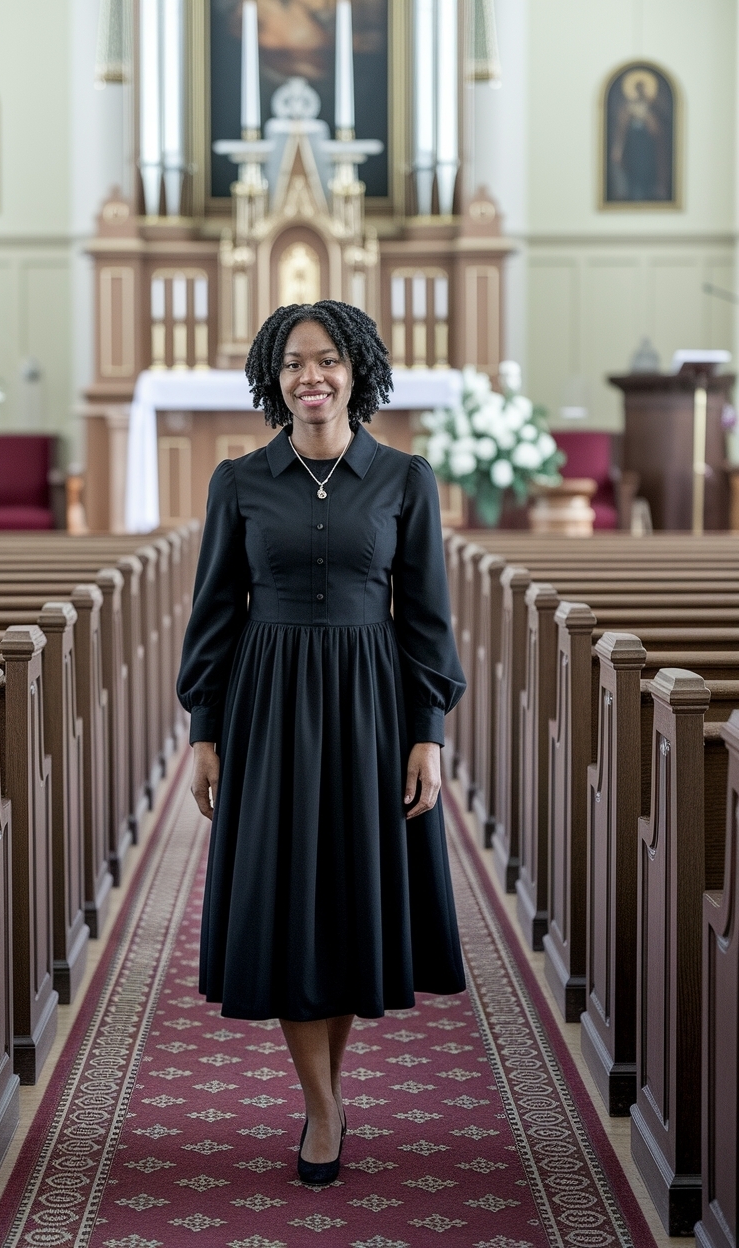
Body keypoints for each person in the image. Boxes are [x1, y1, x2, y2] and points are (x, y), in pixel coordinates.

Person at [177, 300, 466, 1185]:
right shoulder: (238, 481)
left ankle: (326, 1096)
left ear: (359, 370)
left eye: (329, 361)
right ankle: (324, 1106)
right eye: (295, 362)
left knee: (344, 900)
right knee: (286, 899)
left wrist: (429, 733)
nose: (312, 377)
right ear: (273, 376)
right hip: (268, 710)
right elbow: (215, 617)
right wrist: (205, 732)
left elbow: (425, 619)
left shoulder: (405, 479)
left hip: (370, 708)